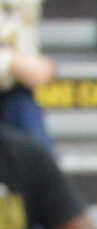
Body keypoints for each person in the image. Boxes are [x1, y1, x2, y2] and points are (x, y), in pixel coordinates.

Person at [0, 1, 54, 145]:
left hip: (15, 89)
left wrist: (31, 63)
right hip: (14, 79)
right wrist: (12, 64)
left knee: (38, 151)